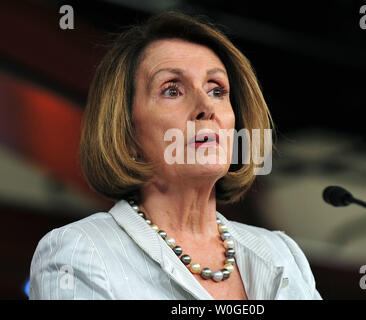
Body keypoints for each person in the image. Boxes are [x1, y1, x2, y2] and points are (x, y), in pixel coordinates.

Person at [29, 11, 322, 300]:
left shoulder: (282, 253)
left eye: (217, 90)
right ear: (127, 131)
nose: (205, 106)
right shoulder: (79, 251)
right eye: (172, 90)